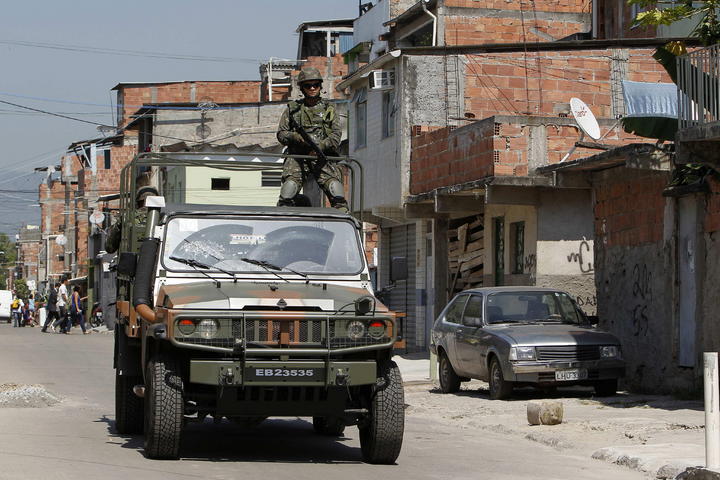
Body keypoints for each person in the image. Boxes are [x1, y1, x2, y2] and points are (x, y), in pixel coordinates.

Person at [276, 67, 347, 212]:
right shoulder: (293, 109)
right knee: (288, 191)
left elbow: (335, 136)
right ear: (302, 88)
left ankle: (343, 218)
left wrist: (320, 146)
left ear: (320, 86)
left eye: (316, 85)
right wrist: (295, 137)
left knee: (336, 191)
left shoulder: (329, 108)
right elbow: (281, 134)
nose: (312, 88)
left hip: (322, 156)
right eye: (308, 85)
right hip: (298, 157)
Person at [105, 185, 159, 254]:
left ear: (138, 201)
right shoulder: (164, 219)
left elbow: (109, 248)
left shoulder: (126, 218)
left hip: (130, 259)